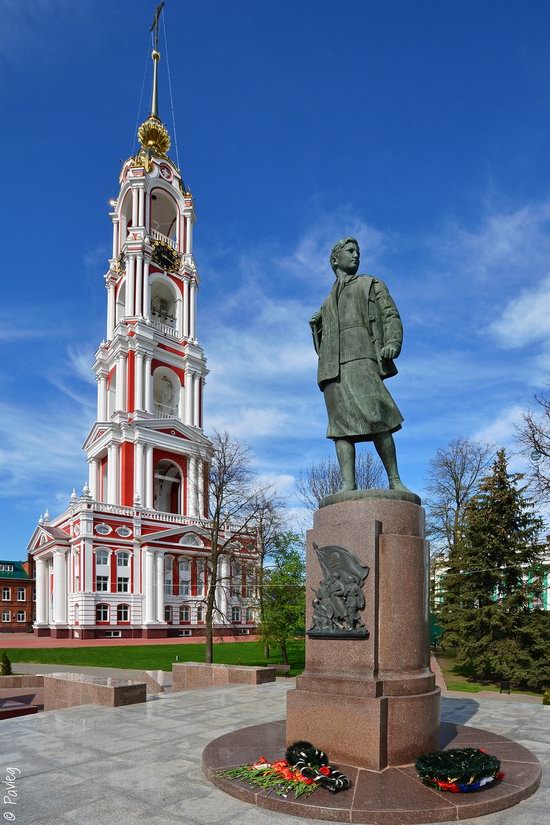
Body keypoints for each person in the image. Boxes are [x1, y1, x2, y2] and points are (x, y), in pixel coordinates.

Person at [310, 237, 410, 493]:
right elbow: (321, 342)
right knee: (340, 429)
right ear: (335, 260)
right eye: (350, 251)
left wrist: (393, 343)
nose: (356, 255)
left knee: (380, 417)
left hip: (362, 359)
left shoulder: (370, 284)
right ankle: (347, 484)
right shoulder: (326, 301)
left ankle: (395, 480)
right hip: (333, 369)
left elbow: (390, 315)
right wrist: (316, 326)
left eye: (357, 251)